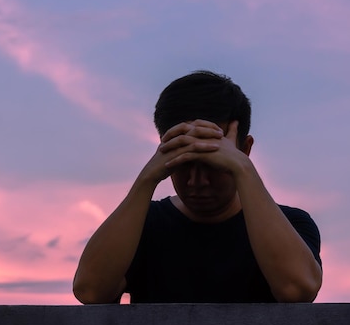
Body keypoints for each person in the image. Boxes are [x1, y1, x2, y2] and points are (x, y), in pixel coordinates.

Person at [73, 70, 322, 304]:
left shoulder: (291, 224)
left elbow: (297, 290)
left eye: (214, 164)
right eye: (183, 163)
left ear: (244, 149)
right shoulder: (141, 225)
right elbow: (90, 291)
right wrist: (146, 180)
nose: (197, 181)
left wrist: (244, 170)